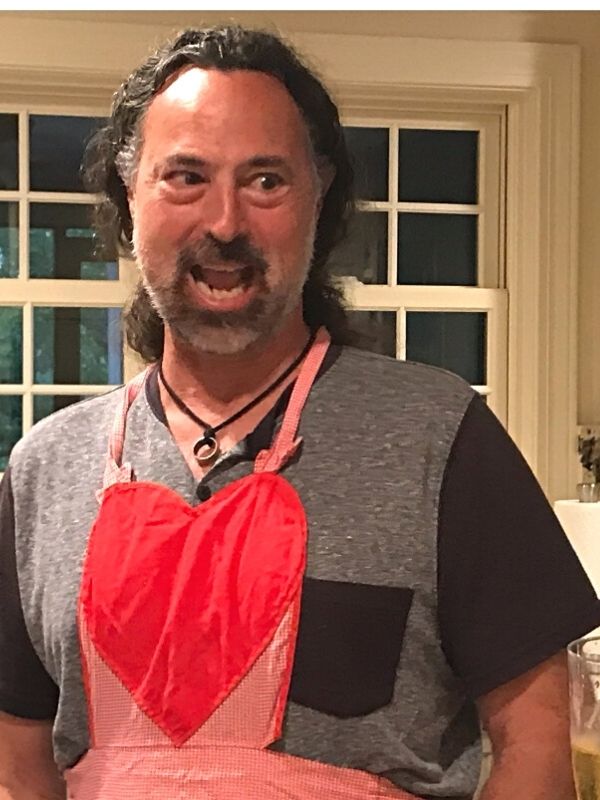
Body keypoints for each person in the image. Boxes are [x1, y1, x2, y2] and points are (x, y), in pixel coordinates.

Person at [0, 24, 598, 800]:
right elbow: (19, 762)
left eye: (265, 181)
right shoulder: (44, 469)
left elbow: (537, 744)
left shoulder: (438, 439)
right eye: (185, 177)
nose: (224, 222)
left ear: (320, 199)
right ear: (129, 197)